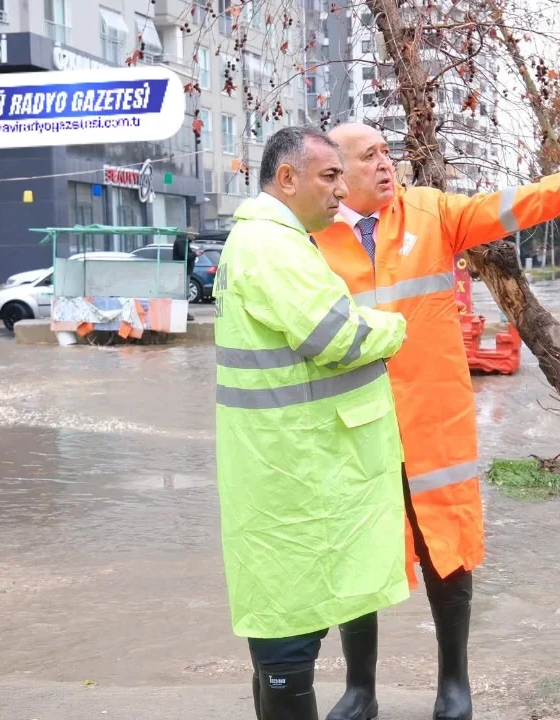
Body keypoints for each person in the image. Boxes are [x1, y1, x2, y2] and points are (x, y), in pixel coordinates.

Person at [312, 122, 560, 720]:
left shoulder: (430, 213)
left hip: (434, 420)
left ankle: (453, 684)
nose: (387, 164)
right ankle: (360, 689)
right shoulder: (311, 237)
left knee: (448, 550)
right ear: (336, 173)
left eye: (389, 152)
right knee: (355, 553)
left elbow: (502, 209)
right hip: (353, 423)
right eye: (369, 157)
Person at [213, 126, 412, 720]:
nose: (341, 190)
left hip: (288, 463)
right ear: (287, 178)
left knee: (285, 621)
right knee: (289, 632)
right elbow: (334, 334)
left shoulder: (270, 241)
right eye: (329, 177)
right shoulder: (273, 247)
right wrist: (393, 327)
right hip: (297, 471)